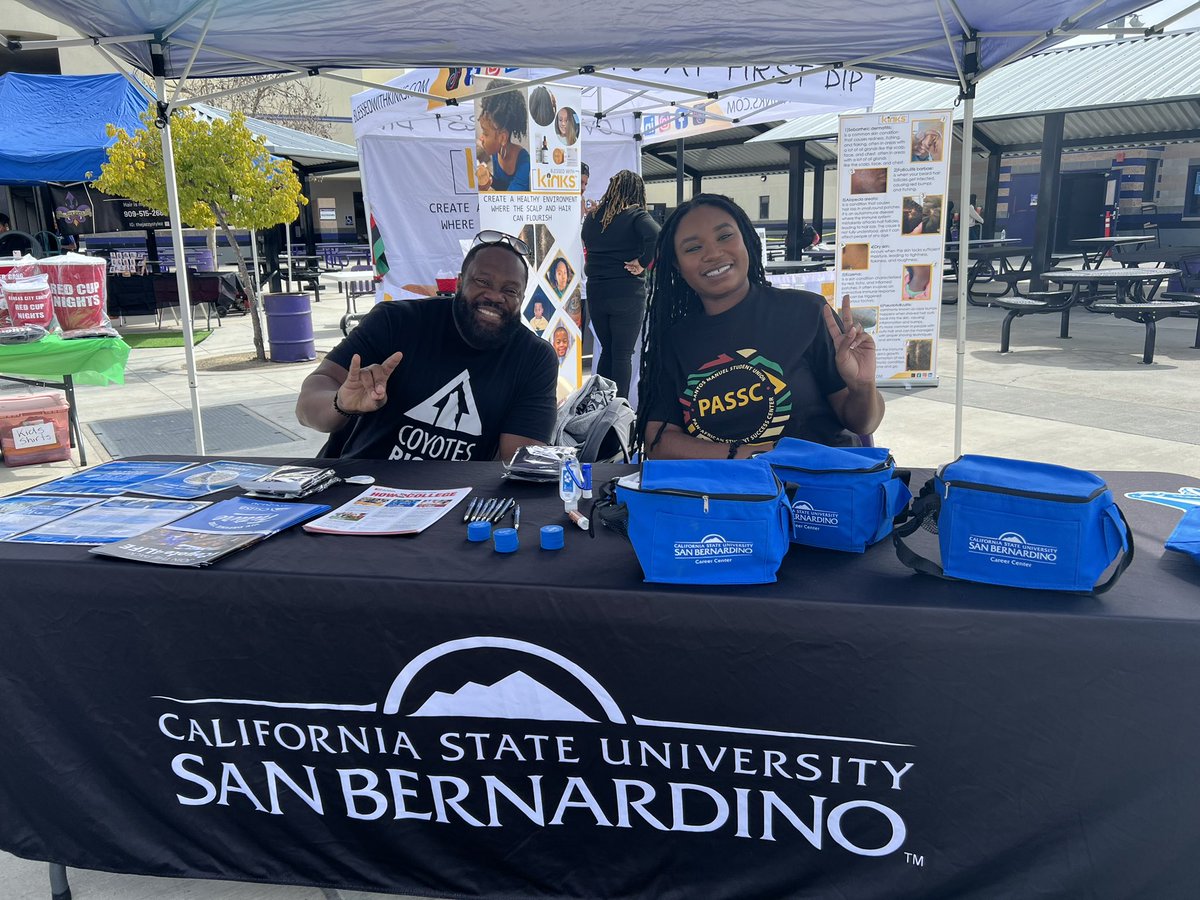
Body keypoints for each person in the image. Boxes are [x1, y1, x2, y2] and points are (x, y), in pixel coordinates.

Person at [636, 194, 884, 458]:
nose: (713, 254)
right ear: (677, 265)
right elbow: (658, 442)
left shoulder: (808, 312)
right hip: (726, 493)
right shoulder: (673, 342)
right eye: (693, 248)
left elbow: (862, 423)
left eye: (724, 237)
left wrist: (862, 387)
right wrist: (748, 456)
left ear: (746, 239)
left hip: (818, 489)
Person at [296, 231, 557, 461]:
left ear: (522, 298)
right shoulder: (395, 321)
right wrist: (340, 403)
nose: (495, 296)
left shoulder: (534, 357)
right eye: (483, 282)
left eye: (510, 291)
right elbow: (306, 406)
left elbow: (520, 460)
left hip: (458, 503)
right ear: (458, 283)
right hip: (362, 489)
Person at [581, 170, 660, 399]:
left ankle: (602, 404)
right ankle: (619, 410)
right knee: (623, 354)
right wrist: (643, 262)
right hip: (627, 292)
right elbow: (657, 235)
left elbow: (586, 240)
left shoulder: (594, 216)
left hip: (597, 291)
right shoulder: (636, 215)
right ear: (637, 192)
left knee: (607, 351)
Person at [475, 82, 530, 193]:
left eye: (485, 133)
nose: (481, 138)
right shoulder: (496, 153)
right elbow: (502, 186)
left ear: (503, 138)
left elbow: (509, 198)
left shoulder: (524, 160)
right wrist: (488, 178)